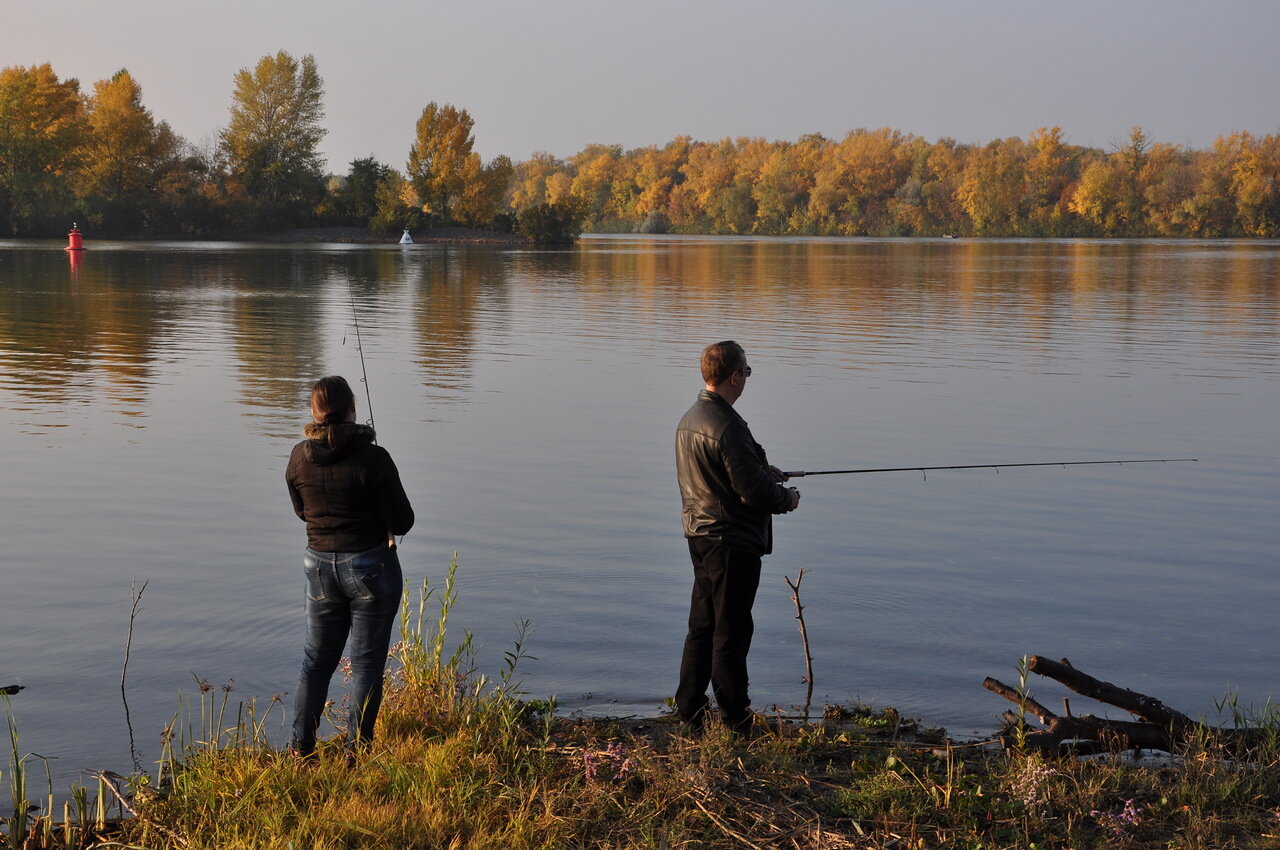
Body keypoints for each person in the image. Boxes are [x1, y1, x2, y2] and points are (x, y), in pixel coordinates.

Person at [674, 341, 800, 734]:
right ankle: (735, 717)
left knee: (703, 625)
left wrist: (763, 467)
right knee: (731, 629)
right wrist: (787, 499)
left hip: (700, 535)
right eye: (746, 371)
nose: (747, 378)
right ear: (733, 376)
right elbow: (753, 493)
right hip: (731, 541)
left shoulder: (692, 417)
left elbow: (729, 472)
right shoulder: (727, 424)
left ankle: (690, 710)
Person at [285, 375, 414, 758]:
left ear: (314, 411)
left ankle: (300, 749)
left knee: (316, 662)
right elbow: (402, 521)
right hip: (370, 566)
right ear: (352, 408)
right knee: (367, 664)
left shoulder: (298, 455)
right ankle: (356, 752)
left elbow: (302, 511)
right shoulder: (374, 458)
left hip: (319, 566)